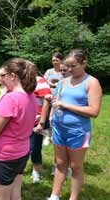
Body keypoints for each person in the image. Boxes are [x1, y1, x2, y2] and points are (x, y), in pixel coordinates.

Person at [47, 49, 102, 200]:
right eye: (68, 66)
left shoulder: (91, 82)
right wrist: (51, 100)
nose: (69, 70)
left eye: (73, 66)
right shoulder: (63, 82)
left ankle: (73, 197)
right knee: (60, 163)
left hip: (78, 131)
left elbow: (94, 111)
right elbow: (56, 99)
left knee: (76, 166)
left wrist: (66, 106)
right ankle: (54, 196)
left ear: (84, 63)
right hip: (59, 129)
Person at [0, 58, 38, 200]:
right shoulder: (31, 96)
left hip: (4, 155)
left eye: (5, 76)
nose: (2, 80)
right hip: (21, 151)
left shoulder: (11, 99)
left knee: (1, 194)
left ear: (13, 76)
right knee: (15, 191)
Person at [27, 61, 51, 183]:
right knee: (25, 146)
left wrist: (42, 122)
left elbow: (46, 101)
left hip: (37, 121)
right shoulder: (24, 83)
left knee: (35, 147)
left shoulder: (40, 82)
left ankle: (36, 171)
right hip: (25, 121)